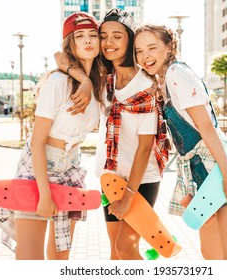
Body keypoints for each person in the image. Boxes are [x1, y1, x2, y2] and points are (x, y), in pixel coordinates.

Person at [134, 24, 227, 260]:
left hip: (218, 167)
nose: (145, 56)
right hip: (200, 173)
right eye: (138, 51)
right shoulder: (164, 81)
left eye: (152, 48)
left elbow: (206, 126)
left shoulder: (176, 73)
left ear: (169, 47)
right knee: (212, 255)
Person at [55, 8, 168, 260]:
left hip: (140, 181)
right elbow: (60, 56)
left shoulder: (145, 85)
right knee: (116, 253)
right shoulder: (104, 79)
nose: (108, 43)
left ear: (130, 40)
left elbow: (145, 146)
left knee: (127, 250)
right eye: (103, 36)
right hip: (110, 178)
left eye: (117, 36)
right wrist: (83, 81)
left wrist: (129, 196)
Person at [0, 12, 104, 260]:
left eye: (93, 35)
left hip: (72, 170)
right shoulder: (56, 82)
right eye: (80, 36)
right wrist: (44, 194)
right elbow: (37, 141)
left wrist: (85, 80)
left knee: (60, 259)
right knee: (30, 258)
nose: (87, 41)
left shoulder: (100, 85)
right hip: (38, 170)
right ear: (70, 44)